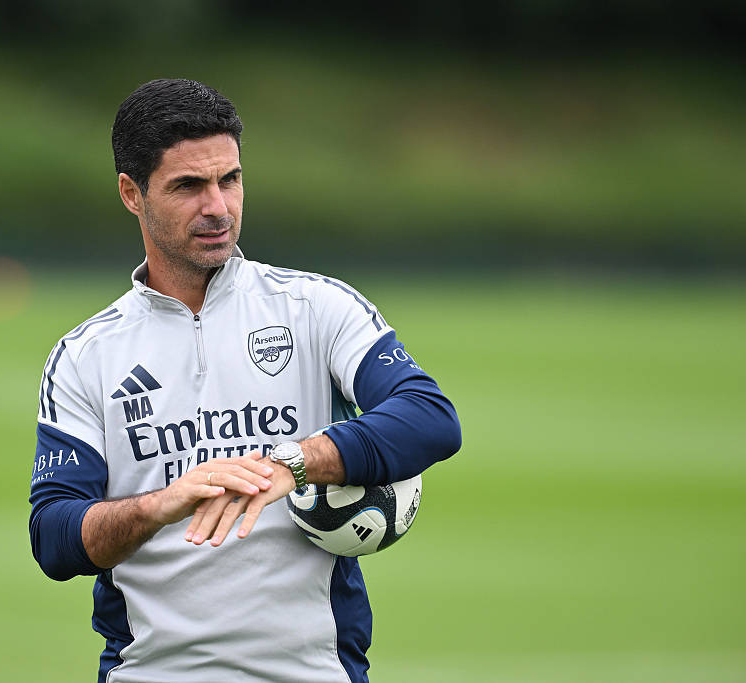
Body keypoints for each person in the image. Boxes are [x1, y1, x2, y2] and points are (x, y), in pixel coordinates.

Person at [28, 78, 462, 683]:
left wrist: (296, 461)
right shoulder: (85, 355)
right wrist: (161, 505)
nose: (218, 207)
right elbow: (53, 537)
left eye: (229, 179)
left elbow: (429, 417)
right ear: (132, 193)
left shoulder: (315, 307)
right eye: (188, 186)